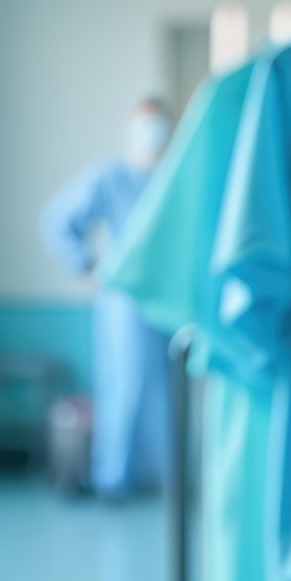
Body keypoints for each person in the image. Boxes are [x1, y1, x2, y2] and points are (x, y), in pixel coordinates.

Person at [40, 97, 176, 496]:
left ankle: (169, 476)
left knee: (170, 394)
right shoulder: (110, 176)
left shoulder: (175, 176)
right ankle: (116, 476)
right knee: (126, 387)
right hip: (125, 303)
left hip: (170, 298)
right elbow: (57, 220)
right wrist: (87, 265)